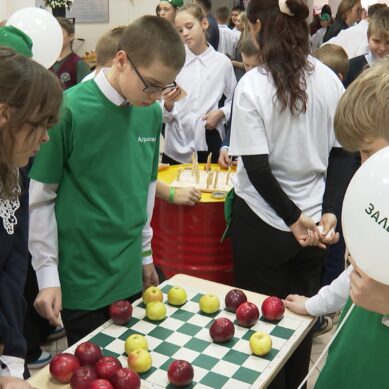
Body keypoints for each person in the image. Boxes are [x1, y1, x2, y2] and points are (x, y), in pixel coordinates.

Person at [28, 16, 186, 347]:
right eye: (152, 85)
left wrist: (145, 256)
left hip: (130, 273)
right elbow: (40, 199)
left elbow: (145, 187)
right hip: (82, 281)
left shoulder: (151, 112)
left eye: (165, 87)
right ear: (121, 60)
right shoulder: (68, 109)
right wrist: (47, 275)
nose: (157, 97)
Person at [228, 0, 354, 387]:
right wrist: (328, 212)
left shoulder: (253, 84)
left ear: (254, 27)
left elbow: (257, 167)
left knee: (258, 326)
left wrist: (291, 216)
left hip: (265, 221)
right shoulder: (329, 80)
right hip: (313, 224)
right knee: (301, 318)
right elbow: (343, 152)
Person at [288, 58, 389, 389]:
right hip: (354, 345)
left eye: (368, 152)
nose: (362, 167)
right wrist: (314, 304)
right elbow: (358, 272)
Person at [0, 46, 62, 387]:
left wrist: (12, 357)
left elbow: (11, 270)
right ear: (4, 114)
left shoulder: (14, 172)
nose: (46, 136)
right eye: (39, 124)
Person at [161, 3, 236, 165]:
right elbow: (160, 107)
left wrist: (221, 112)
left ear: (204, 24)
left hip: (208, 141)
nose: (185, 34)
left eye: (189, 27)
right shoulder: (173, 62)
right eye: (180, 30)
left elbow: (235, 100)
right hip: (176, 144)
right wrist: (167, 104)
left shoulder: (222, 63)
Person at [219, 36, 261, 168]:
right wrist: (226, 147)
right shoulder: (241, 85)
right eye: (246, 65)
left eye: (255, 66)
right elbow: (234, 123)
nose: (249, 70)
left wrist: (248, 157)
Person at [343, 7, 389, 87]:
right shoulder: (351, 68)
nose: (382, 48)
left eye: (388, 43)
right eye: (377, 41)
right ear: (368, 38)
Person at [51, 17, 90, 89]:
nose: (56, 36)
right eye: (53, 33)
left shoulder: (79, 64)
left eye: (60, 33)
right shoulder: (48, 61)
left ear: (71, 36)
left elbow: (85, 91)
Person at [231, 11, 250, 81]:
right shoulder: (241, 35)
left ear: (245, 23)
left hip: (242, 76)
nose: (235, 23)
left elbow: (247, 64)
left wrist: (233, 62)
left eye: (238, 21)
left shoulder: (247, 39)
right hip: (237, 74)